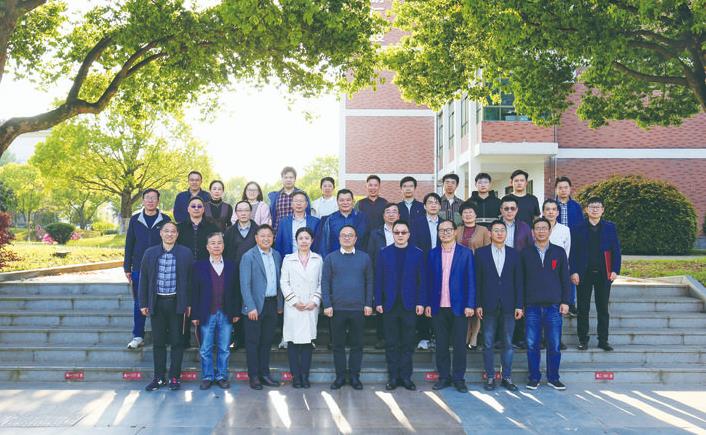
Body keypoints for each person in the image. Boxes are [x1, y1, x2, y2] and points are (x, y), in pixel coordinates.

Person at [138, 222, 193, 391]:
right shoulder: (150, 253)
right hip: (157, 302)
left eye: (173, 231)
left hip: (177, 303)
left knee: (177, 341)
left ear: (177, 234)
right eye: (166, 231)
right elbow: (144, 279)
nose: (170, 234)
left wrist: (189, 303)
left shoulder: (185, 253)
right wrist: (143, 303)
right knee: (158, 342)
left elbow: (190, 280)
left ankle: (174, 377)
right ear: (161, 233)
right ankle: (159, 377)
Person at [375, 220, 426, 391]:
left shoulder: (417, 253)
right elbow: (379, 279)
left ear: (409, 234)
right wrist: (378, 301)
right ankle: (393, 377)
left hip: (409, 305)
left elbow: (422, 281)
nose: (400, 235)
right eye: (397, 232)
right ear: (393, 234)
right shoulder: (384, 252)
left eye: (404, 232)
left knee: (407, 343)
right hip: (389, 305)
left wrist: (421, 302)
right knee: (391, 343)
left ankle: (406, 377)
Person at [426, 220, 476, 393]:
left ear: (455, 232)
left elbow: (471, 280)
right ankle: (444, 377)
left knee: (459, 345)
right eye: (441, 230)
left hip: (460, 307)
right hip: (438, 307)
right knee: (441, 345)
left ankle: (459, 378)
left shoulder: (466, 253)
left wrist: (470, 304)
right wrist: (427, 304)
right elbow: (428, 282)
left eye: (448, 230)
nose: (445, 233)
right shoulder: (432, 254)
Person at [321, 225, 373, 390]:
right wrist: (327, 304)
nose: (347, 238)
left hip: (358, 308)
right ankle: (340, 377)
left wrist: (368, 304)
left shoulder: (365, 258)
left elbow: (369, 282)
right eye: (344, 235)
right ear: (339, 239)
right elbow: (325, 283)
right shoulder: (330, 258)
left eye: (350, 235)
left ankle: (355, 377)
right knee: (338, 346)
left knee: (357, 345)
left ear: (356, 239)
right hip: (337, 309)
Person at [522, 217, 571, 390]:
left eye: (544, 228)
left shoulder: (559, 252)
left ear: (550, 231)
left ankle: (553, 378)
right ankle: (534, 377)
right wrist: (521, 304)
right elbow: (521, 281)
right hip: (532, 307)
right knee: (532, 345)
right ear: (532, 232)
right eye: (538, 228)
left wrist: (566, 301)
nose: (541, 231)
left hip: (554, 307)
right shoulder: (526, 253)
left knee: (554, 345)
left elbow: (565, 279)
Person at [475, 220, 523, 391]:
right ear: (490, 233)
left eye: (502, 230)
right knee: (488, 343)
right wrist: (478, 304)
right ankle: (490, 377)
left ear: (506, 233)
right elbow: (477, 281)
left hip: (509, 305)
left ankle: (506, 377)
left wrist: (519, 305)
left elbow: (519, 281)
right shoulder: (481, 253)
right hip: (488, 304)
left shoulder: (514, 254)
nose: (500, 233)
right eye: (496, 230)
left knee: (508, 343)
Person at [191, 232, 241, 390]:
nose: (216, 246)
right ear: (207, 247)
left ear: (223, 246)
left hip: (226, 312)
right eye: (213, 243)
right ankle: (207, 376)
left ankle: (221, 376)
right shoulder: (199, 266)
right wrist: (195, 314)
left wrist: (236, 312)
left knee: (224, 348)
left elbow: (236, 291)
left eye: (219, 243)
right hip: (206, 313)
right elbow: (194, 292)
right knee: (205, 348)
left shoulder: (232, 265)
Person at [571, 197, 621, 352]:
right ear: (586, 209)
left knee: (603, 309)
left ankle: (603, 340)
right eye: (592, 207)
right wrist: (574, 271)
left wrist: (615, 270)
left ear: (603, 210)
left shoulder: (610, 227)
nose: (595, 209)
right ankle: (583, 340)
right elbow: (573, 252)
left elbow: (616, 250)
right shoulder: (577, 228)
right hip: (583, 274)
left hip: (603, 274)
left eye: (598, 207)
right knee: (583, 309)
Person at [124, 188, 171, 350]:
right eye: (147, 198)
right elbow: (129, 243)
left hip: (162, 266)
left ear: (158, 201)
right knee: (140, 301)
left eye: (153, 198)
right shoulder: (135, 219)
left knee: (163, 302)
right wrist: (127, 267)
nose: (150, 201)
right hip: (139, 267)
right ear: (143, 200)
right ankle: (138, 335)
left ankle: (164, 334)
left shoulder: (165, 219)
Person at [240, 224, 283, 390]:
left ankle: (265, 374)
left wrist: (279, 304)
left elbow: (278, 281)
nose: (266, 238)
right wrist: (250, 306)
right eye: (262, 236)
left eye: (269, 236)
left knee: (267, 341)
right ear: (256, 238)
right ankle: (254, 376)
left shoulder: (277, 255)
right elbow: (245, 284)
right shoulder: (248, 256)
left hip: (272, 304)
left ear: (273, 238)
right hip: (255, 306)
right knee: (253, 342)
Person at [280, 227, 323, 389]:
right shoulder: (288, 259)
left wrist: (315, 300)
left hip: (311, 305)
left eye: (307, 238)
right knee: (292, 342)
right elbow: (284, 282)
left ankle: (305, 376)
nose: (304, 241)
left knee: (307, 342)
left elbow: (322, 282)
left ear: (312, 241)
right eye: (301, 238)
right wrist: (294, 301)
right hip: (293, 306)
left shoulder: (318, 259)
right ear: (296, 241)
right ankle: (295, 376)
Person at [454, 202, 491, 351]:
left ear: (476, 215)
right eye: (465, 212)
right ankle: (465, 334)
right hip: (459, 272)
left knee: (476, 304)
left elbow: (488, 251)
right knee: (464, 303)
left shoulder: (483, 230)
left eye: (470, 212)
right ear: (461, 216)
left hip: (478, 270)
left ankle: (474, 336)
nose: (468, 215)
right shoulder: (457, 230)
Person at [223, 200, 258, 350]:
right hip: (235, 273)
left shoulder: (258, 230)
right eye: (240, 210)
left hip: (255, 274)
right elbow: (225, 253)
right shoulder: (229, 232)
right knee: (236, 304)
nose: (243, 213)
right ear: (236, 213)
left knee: (252, 303)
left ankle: (252, 338)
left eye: (246, 210)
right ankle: (238, 338)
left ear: (251, 212)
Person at [499, 196, 533, 349]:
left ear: (517, 210)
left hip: (518, 268)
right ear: (501, 210)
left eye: (512, 208)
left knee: (518, 302)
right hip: (498, 268)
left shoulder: (524, 227)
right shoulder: (495, 226)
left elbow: (530, 248)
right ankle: (500, 338)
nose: (509, 211)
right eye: (506, 208)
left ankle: (518, 337)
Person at [367, 202, 401, 349]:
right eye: (388, 212)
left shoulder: (404, 231)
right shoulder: (376, 233)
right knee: (382, 307)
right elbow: (371, 255)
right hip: (382, 275)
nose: (391, 214)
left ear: (399, 215)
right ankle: (382, 338)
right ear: (383, 215)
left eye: (394, 211)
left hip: (401, 275)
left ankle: (398, 338)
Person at [410, 192, 441, 350]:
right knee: (422, 298)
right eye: (430, 202)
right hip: (422, 265)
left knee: (439, 299)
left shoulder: (445, 223)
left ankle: (438, 335)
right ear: (424, 206)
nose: (433, 205)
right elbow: (414, 245)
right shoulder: (416, 223)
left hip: (442, 266)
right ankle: (423, 336)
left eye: (436, 202)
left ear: (440, 206)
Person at [555, 176, 583, 316]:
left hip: (573, 243)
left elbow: (581, 226)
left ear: (570, 189)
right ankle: (556, 300)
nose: (563, 190)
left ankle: (571, 302)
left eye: (566, 187)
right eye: (560, 188)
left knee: (571, 271)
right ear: (556, 189)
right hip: (556, 242)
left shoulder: (576, 206)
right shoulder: (552, 205)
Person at [317, 189, 368, 257]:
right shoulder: (329, 220)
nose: (345, 203)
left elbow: (367, 241)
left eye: (348, 200)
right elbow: (324, 245)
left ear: (353, 201)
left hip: (358, 258)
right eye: (341, 200)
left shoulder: (362, 218)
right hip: (335, 259)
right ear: (337, 202)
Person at [275, 191, 320, 255]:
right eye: (296, 201)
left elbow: (318, 244)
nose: (298, 203)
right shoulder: (284, 222)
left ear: (306, 204)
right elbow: (278, 244)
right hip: (288, 258)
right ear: (291, 204)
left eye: (301, 201)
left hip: (310, 259)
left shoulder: (315, 222)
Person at [176, 196, 221, 261]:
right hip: (184, 263)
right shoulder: (179, 228)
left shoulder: (213, 228)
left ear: (203, 209)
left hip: (206, 264)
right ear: (188, 209)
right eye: (193, 206)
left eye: (199, 206)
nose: (196, 208)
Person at [268, 166, 310, 234]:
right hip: (279, 232)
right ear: (282, 179)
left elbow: (308, 214)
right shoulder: (275, 196)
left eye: (291, 177)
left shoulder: (302, 195)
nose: (288, 180)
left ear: (295, 179)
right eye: (286, 177)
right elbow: (273, 216)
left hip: (298, 233)